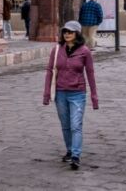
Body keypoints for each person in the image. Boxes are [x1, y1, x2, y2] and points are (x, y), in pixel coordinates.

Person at [42, 20, 99, 170]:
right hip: (60, 93)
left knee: (76, 125)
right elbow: (49, 71)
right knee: (66, 125)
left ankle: (76, 155)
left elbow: (90, 73)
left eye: (70, 32)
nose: (67, 34)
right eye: (65, 31)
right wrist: (47, 93)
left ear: (77, 34)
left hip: (78, 93)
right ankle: (69, 150)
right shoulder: (56, 50)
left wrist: (94, 96)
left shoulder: (84, 51)